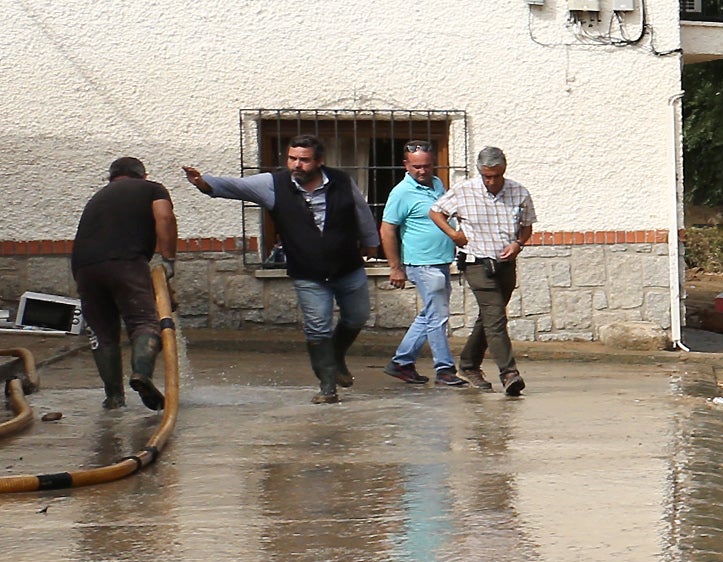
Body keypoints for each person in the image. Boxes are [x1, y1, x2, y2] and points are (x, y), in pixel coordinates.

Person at [185, 140, 376, 401]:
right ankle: (327, 387)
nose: (297, 164)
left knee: (357, 317)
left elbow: (361, 211)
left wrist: (371, 243)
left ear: (319, 161)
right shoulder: (273, 184)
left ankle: (337, 355)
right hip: (308, 272)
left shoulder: (341, 181)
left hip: (347, 266)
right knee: (317, 328)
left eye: (304, 159)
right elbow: (236, 186)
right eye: (292, 158)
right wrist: (203, 183)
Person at [68, 157, 175, 416]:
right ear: (143, 175)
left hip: (84, 268)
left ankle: (114, 398)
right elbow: (165, 217)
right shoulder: (151, 188)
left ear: (111, 178)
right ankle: (141, 373)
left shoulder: (97, 197)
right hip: (125, 262)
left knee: (103, 334)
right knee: (144, 323)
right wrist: (169, 259)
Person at [431, 146, 537, 398]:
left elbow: (526, 227)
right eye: (486, 176)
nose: (491, 181)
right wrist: (454, 234)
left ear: (504, 171)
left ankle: (468, 364)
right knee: (495, 317)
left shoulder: (519, 192)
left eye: (496, 176)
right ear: (480, 172)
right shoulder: (464, 191)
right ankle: (509, 373)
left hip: (504, 263)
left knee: (491, 317)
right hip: (476, 262)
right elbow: (436, 211)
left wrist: (518, 244)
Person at [380, 141, 461, 387]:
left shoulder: (437, 184)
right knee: (438, 316)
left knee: (430, 314)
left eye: (426, 166)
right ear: (406, 165)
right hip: (421, 263)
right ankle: (444, 370)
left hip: (441, 261)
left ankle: (402, 362)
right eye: (416, 166)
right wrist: (395, 267)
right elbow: (387, 229)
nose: (422, 171)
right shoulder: (401, 192)